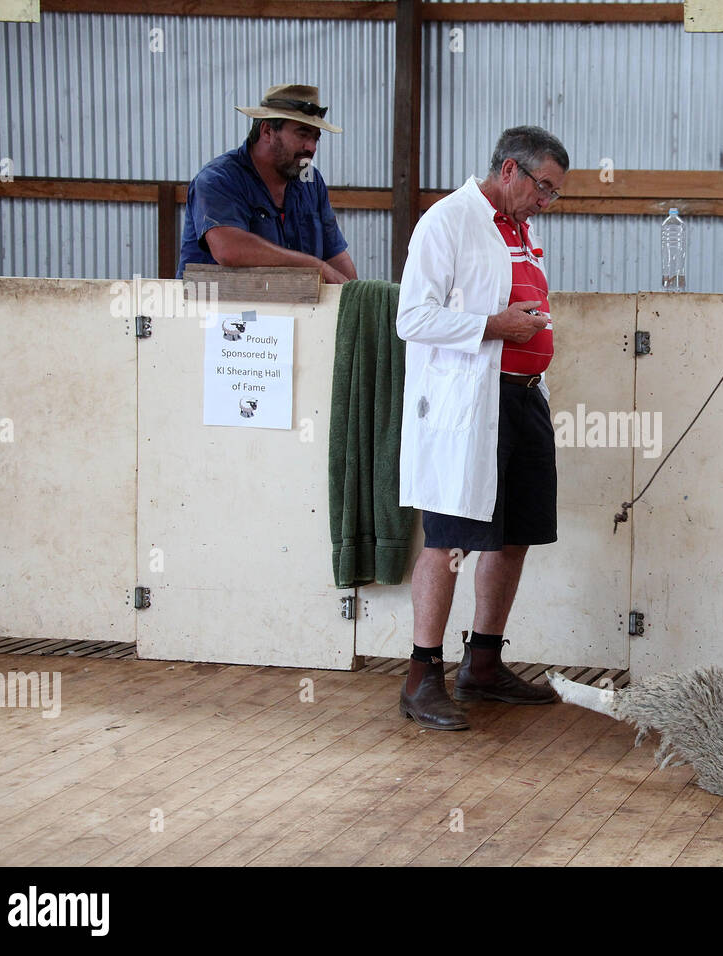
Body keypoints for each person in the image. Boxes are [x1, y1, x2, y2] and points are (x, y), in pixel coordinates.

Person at [395, 126, 570, 731]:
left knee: (516, 532)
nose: (546, 201)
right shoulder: (447, 221)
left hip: (524, 399)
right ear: (509, 172)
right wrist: (495, 326)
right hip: (471, 405)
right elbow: (412, 317)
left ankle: (484, 663)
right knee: (449, 540)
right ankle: (422, 676)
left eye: (554, 193)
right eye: (542, 188)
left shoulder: (522, 226)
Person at [176, 84, 357, 284]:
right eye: (302, 134)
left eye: (316, 138)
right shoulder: (218, 179)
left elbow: (336, 256)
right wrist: (315, 266)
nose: (311, 147)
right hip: (216, 312)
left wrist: (357, 297)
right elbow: (228, 249)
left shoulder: (310, 181)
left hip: (292, 312)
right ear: (267, 131)